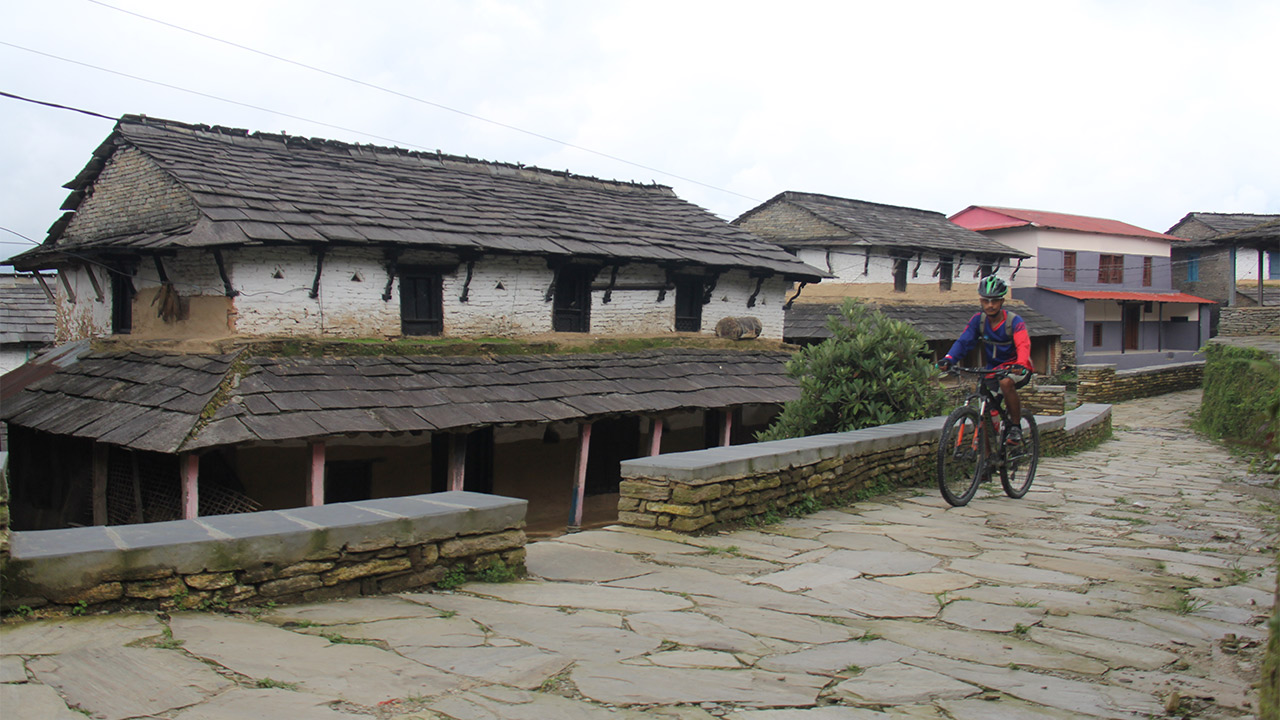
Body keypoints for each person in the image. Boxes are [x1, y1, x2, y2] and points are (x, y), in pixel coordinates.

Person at [937, 275, 1032, 444]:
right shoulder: (978, 321)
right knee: (985, 410)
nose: (990, 305)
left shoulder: (1014, 321)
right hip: (992, 370)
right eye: (986, 301)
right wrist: (949, 359)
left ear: (1001, 301)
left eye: (994, 301)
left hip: (1016, 368)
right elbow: (964, 341)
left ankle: (1015, 427)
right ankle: (987, 459)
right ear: (981, 301)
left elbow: (1023, 345)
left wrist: (1021, 364)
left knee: (1005, 383)